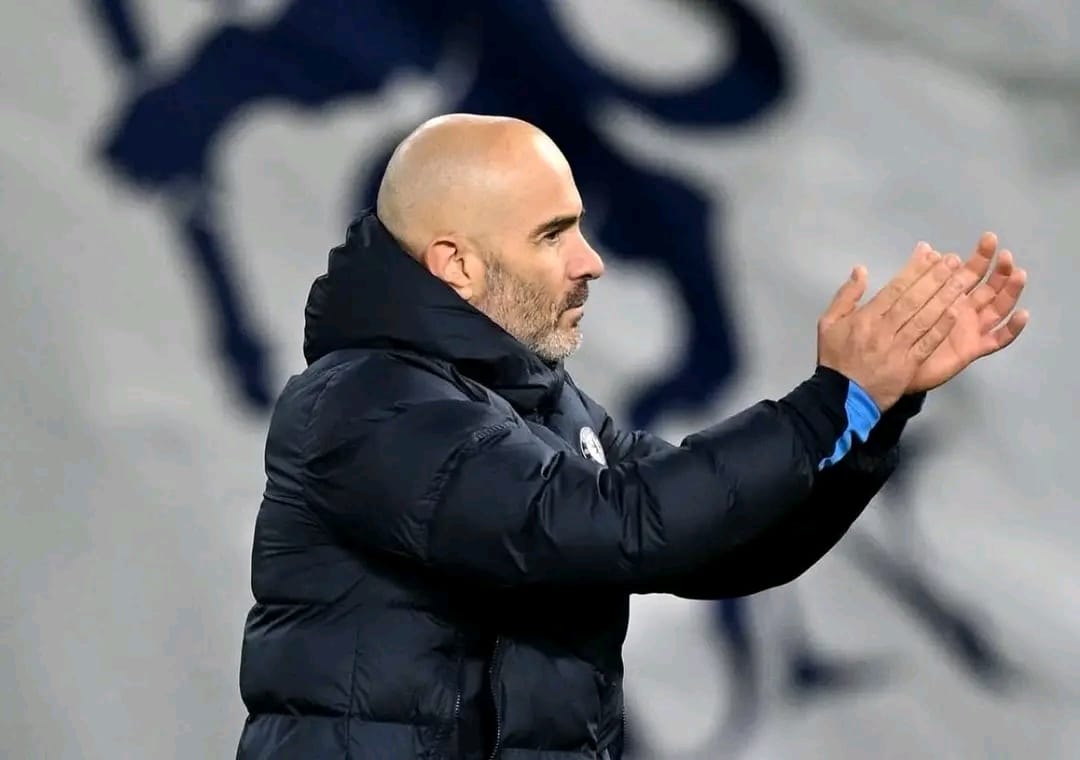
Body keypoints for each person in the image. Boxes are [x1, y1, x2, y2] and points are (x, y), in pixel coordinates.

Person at [234, 113, 1029, 759]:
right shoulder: (368, 404)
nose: (591, 261)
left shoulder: (542, 407)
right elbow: (608, 524)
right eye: (553, 235)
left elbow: (723, 542)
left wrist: (873, 408)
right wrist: (827, 403)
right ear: (457, 265)